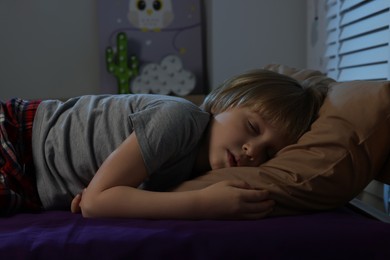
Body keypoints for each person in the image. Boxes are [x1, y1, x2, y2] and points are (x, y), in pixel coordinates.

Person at [0, 69, 327, 219]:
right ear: (224, 103)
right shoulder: (180, 119)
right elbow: (97, 204)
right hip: (17, 137)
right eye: (252, 127)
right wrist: (206, 204)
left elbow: (105, 194)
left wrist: (106, 191)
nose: (253, 150)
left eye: (269, 153)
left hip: (31, 186)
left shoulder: (193, 168)